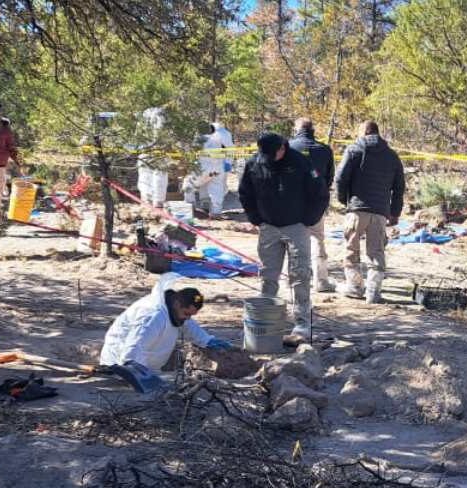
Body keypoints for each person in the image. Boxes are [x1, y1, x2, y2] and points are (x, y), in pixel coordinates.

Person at [238, 132, 329, 342]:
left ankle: (302, 324)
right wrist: (255, 218)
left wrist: (308, 220)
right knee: (268, 276)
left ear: (282, 148)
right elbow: (245, 192)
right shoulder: (255, 163)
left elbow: (320, 193)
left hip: (297, 226)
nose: (269, 158)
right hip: (268, 226)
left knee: (300, 275)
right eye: (265, 154)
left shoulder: (301, 163)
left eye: (273, 154)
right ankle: (267, 323)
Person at [99, 273, 232, 392]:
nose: (187, 318)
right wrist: (135, 373)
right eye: (186, 313)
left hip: (147, 366)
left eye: (191, 315)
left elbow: (189, 326)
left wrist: (207, 340)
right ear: (177, 304)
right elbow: (134, 346)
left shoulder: (175, 310)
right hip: (121, 362)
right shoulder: (153, 316)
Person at [333, 120, 405, 303]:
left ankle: (355, 287)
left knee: (351, 250)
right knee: (376, 252)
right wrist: (394, 213)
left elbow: (340, 178)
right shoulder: (392, 156)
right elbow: (399, 187)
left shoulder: (353, 150)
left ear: (363, 132)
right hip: (380, 212)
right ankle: (373, 292)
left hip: (357, 209)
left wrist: (344, 200)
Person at [288, 118, 336, 293]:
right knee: (317, 239)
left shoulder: (288, 148)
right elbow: (330, 177)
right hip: (316, 201)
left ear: (297, 129)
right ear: (313, 130)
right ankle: (321, 280)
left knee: (294, 241)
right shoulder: (324, 150)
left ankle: (296, 279)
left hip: (292, 202)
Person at [194, 122, 229, 217]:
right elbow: (226, 150)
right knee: (217, 188)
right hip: (218, 168)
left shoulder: (199, 139)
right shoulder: (218, 138)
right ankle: (216, 212)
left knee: (189, 184)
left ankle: (189, 208)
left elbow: (192, 152)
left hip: (204, 168)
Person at [136, 107, 168, 208]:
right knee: (159, 176)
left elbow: (137, 136)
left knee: (146, 176)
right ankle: (158, 202)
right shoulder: (162, 119)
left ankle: (147, 201)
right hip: (159, 152)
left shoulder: (143, 121)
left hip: (145, 152)